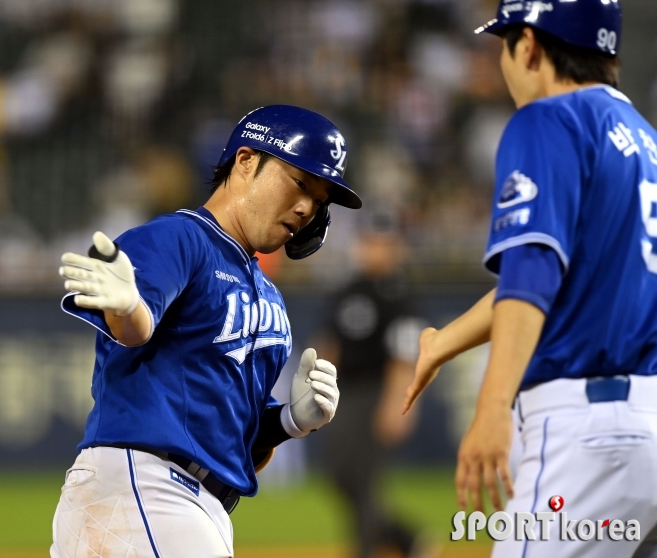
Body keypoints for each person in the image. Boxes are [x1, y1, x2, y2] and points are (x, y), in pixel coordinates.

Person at [402, 1, 657, 557]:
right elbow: (568, 280)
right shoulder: (641, 139)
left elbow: (533, 271)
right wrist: (443, 342)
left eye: (505, 43)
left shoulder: (548, 119)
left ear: (531, 46)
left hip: (584, 435)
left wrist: (492, 409)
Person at [50, 105, 362, 558]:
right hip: (146, 490)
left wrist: (290, 421)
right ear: (246, 162)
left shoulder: (270, 297)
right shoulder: (181, 237)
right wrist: (128, 306)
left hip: (193, 506)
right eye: (300, 183)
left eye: (319, 200)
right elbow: (135, 328)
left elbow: (239, 446)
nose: (306, 207)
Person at [317, 206, 430, 558]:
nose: (374, 248)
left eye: (382, 242)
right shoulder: (348, 288)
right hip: (344, 392)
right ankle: (407, 539)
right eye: (369, 241)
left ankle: (365, 551)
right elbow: (330, 343)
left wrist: (400, 403)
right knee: (339, 474)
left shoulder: (397, 294)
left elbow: (404, 357)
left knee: (363, 479)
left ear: (394, 247)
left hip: (376, 391)